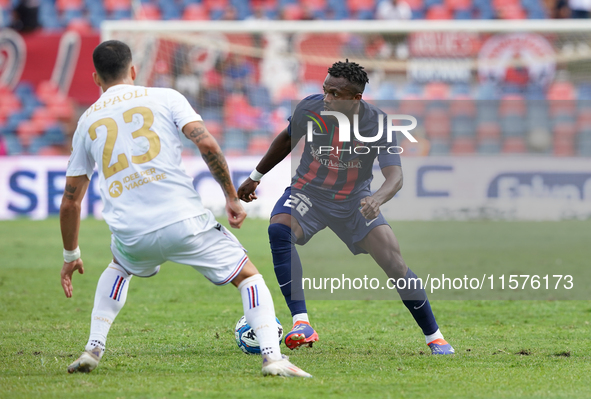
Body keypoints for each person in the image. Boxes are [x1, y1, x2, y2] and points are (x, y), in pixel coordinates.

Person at [59, 40, 311, 378]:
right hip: (185, 221)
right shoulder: (165, 97)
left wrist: (70, 254)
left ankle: (93, 347)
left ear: (95, 78)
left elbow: (71, 200)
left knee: (118, 267)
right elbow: (204, 141)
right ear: (133, 70)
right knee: (248, 276)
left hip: (131, 232)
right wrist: (231, 197)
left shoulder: (87, 121)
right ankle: (272, 357)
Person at [238, 60, 454, 355]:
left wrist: (376, 199)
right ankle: (302, 322)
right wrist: (255, 177)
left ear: (356, 99)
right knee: (279, 229)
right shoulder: (310, 108)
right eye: (325, 90)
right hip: (308, 192)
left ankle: (435, 337)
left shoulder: (377, 123)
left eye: (335, 94)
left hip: (354, 201)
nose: (327, 98)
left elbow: (396, 176)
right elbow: (287, 139)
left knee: (394, 263)